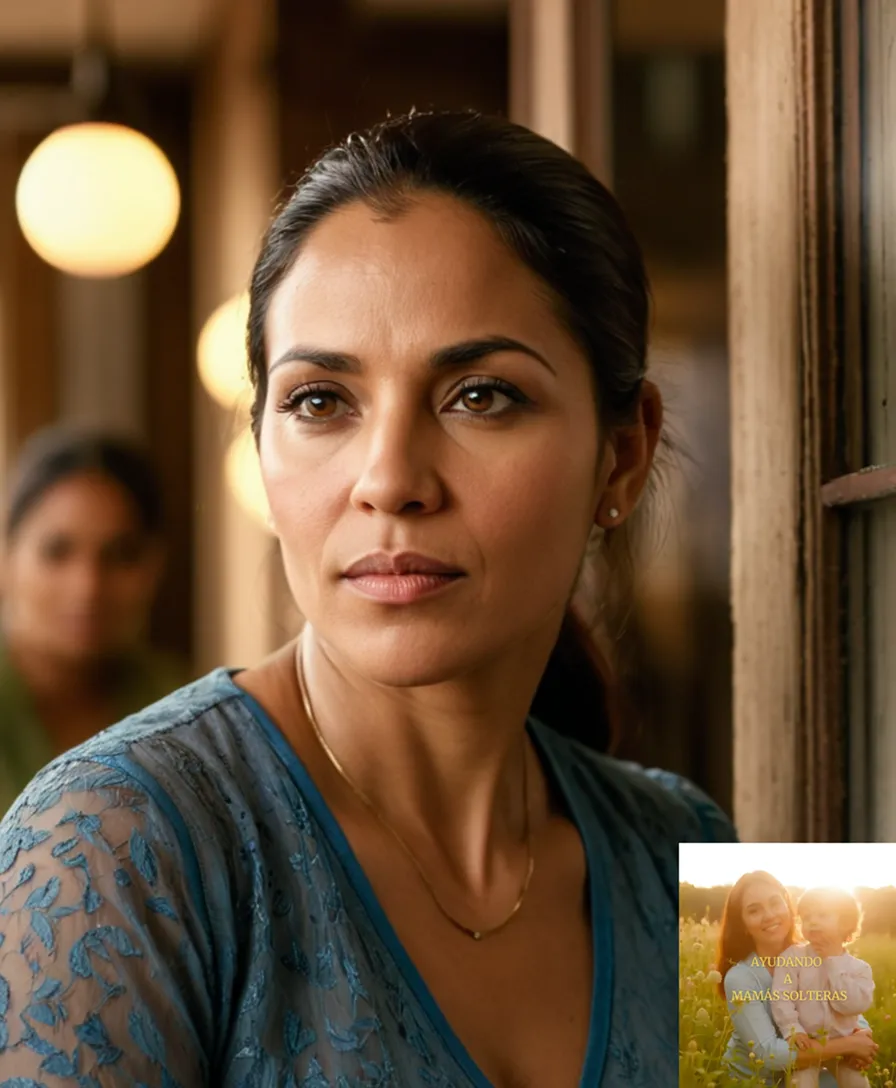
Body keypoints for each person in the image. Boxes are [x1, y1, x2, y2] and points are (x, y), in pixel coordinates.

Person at [0, 110, 735, 1086]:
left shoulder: (701, 851)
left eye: (480, 393)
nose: (388, 477)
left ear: (623, 451)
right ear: (260, 445)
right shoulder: (101, 847)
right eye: (318, 401)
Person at [0, 426, 186, 815]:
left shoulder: (183, 709)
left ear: (155, 566)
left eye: (120, 554)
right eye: (57, 551)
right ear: (8, 558)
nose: (88, 587)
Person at [717, 872, 878, 1084]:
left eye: (775, 903)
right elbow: (768, 1054)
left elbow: (841, 1004)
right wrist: (849, 1044)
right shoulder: (740, 978)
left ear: (788, 906)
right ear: (743, 925)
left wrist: (861, 1032)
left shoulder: (816, 954)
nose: (769, 915)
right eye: (754, 910)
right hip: (756, 1080)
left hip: (809, 1064)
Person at [770, 887, 874, 1087]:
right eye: (807, 917)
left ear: (845, 923)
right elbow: (782, 997)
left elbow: (851, 1006)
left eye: (822, 915)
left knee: (857, 1083)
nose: (813, 921)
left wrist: (832, 961)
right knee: (800, 1083)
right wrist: (793, 1030)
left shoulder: (860, 969)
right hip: (807, 1044)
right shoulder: (792, 958)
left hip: (844, 1049)